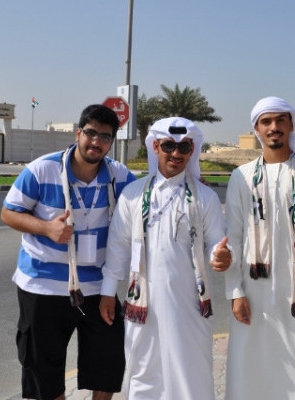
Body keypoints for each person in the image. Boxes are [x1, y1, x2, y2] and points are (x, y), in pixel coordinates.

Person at [0, 104, 136, 400]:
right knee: (42, 369)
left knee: (109, 362)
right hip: (43, 285)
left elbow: (148, 200)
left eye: (105, 137)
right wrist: (46, 228)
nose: (96, 142)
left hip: (99, 287)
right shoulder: (42, 170)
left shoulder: (119, 176)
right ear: (78, 133)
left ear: (112, 142)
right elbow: (9, 213)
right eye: (90, 134)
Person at [99, 117, 232, 400]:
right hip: (143, 307)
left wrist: (219, 256)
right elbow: (118, 248)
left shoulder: (205, 197)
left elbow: (213, 244)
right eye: (169, 145)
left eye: (184, 147)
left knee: (191, 372)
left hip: (190, 307)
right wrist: (108, 293)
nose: (176, 153)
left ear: (191, 151)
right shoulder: (133, 195)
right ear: (156, 147)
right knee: (145, 372)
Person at [224, 96, 295, 400]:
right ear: (257, 129)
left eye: (280, 120)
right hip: (253, 293)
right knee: (250, 369)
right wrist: (235, 292)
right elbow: (233, 237)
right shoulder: (241, 177)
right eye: (266, 122)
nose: (274, 127)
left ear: (291, 125)